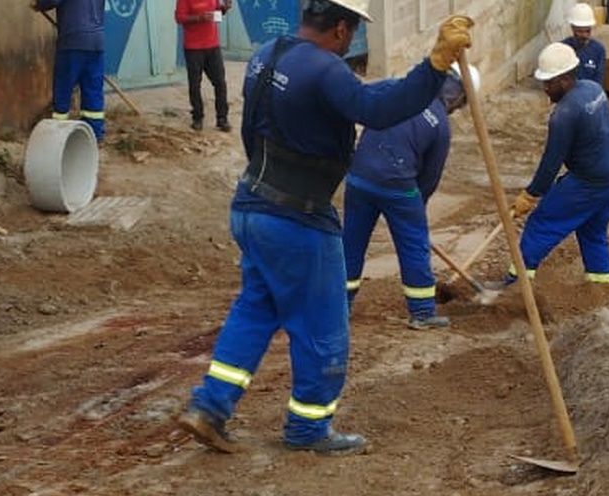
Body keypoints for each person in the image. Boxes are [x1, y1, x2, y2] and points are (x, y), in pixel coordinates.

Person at [176, 1, 473, 456]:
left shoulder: (266, 54)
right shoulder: (325, 70)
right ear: (339, 27)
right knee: (323, 327)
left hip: (252, 203)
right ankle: (308, 427)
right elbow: (377, 108)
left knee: (255, 309)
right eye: (352, 33)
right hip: (298, 218)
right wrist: (434, 66)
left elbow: (251, 132)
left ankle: (209, 406)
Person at [342, 64, 479, 331]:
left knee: (351, 242)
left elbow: (359, 102)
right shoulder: (439, 123)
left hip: (359, 177)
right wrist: (416, 214)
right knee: (414, 246)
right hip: (399, 186)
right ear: (459, 95)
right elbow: (429, 178)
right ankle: (423, 312)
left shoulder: (393, 86)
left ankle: (339, 306)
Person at [491, 42, 609, 286]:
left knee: (542, 223)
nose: (545, 88)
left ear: (565, 79)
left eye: (549, 82)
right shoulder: (593, 88)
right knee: (592, 230)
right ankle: (599, 286)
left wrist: (531, 195)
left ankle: (516, 283)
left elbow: (551, 163)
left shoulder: (564, 114)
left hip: (590, 183)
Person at [32, 0, 107, 143]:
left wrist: (37, 4)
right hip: (96, 41)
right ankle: (95, 134)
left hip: (73, 41)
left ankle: (59, 132)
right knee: (93, 90)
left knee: (63, 87)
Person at [175, 0, 232, 132]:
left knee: (220, 83)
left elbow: (217, 11)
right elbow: (179, 18)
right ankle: (197, 118)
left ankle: (222, 119)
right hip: (193, 48)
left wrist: (225, 8)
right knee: (195, 84)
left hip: (213, 45)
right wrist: (199, 17)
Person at [562, 3, 606, 86]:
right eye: (580, 31)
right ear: (572, 28)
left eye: (587, 31)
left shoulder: (598, 50)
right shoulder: (563, 48)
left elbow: (598, 82)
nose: (584, 35)